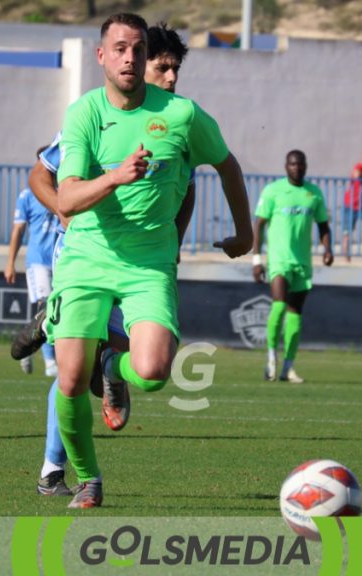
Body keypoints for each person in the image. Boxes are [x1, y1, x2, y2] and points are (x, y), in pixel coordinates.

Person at [53, 14, 253, 509]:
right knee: (71, 380)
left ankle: (114, 367)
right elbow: (66, 199)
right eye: (119, 48)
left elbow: (227, 165)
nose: (129, 57)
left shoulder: (182, 115)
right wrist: (116, 177)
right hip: (86, 260)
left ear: (146, 57)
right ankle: (88, 478)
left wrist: (245, 232)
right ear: (101, 56)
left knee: (154, 371)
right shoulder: (84, 114)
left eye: (137, 49)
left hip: (148, 266)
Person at [15, 22, 195, 499]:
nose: (171, 78)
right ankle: (56, 466)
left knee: (129, 357)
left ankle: (104, 365)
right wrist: (62, 209)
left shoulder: (176, 123)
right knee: (76, 366)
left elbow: (187, 189)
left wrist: (172, 244)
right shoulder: (96, 114)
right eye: (163, 67)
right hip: (86, 255)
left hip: (142, 262)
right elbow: (41, 171)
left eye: (175, 69)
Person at [253, 150, 334, 383]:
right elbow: (258, 224)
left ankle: (288, 367)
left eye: (300, 164)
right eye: (292, 164)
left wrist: (328, 249)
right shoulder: (273, 191)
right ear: (285, 166)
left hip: (302, 262)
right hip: (278, 260)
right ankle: (270, 358)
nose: (296, 168)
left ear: (305, 166)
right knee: (278, 307)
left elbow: (323, 226)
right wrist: (257, 259)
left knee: (295, 315)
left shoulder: (313, 193)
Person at [4, 147, 58, 377]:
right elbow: (18, 230)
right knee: (45, 308)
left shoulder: (67, 190)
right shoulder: (28, 195)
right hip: (37, 261)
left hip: (60, 262)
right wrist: (10, 262)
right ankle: (50, 363)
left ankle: (27, 347)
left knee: (58, 311)